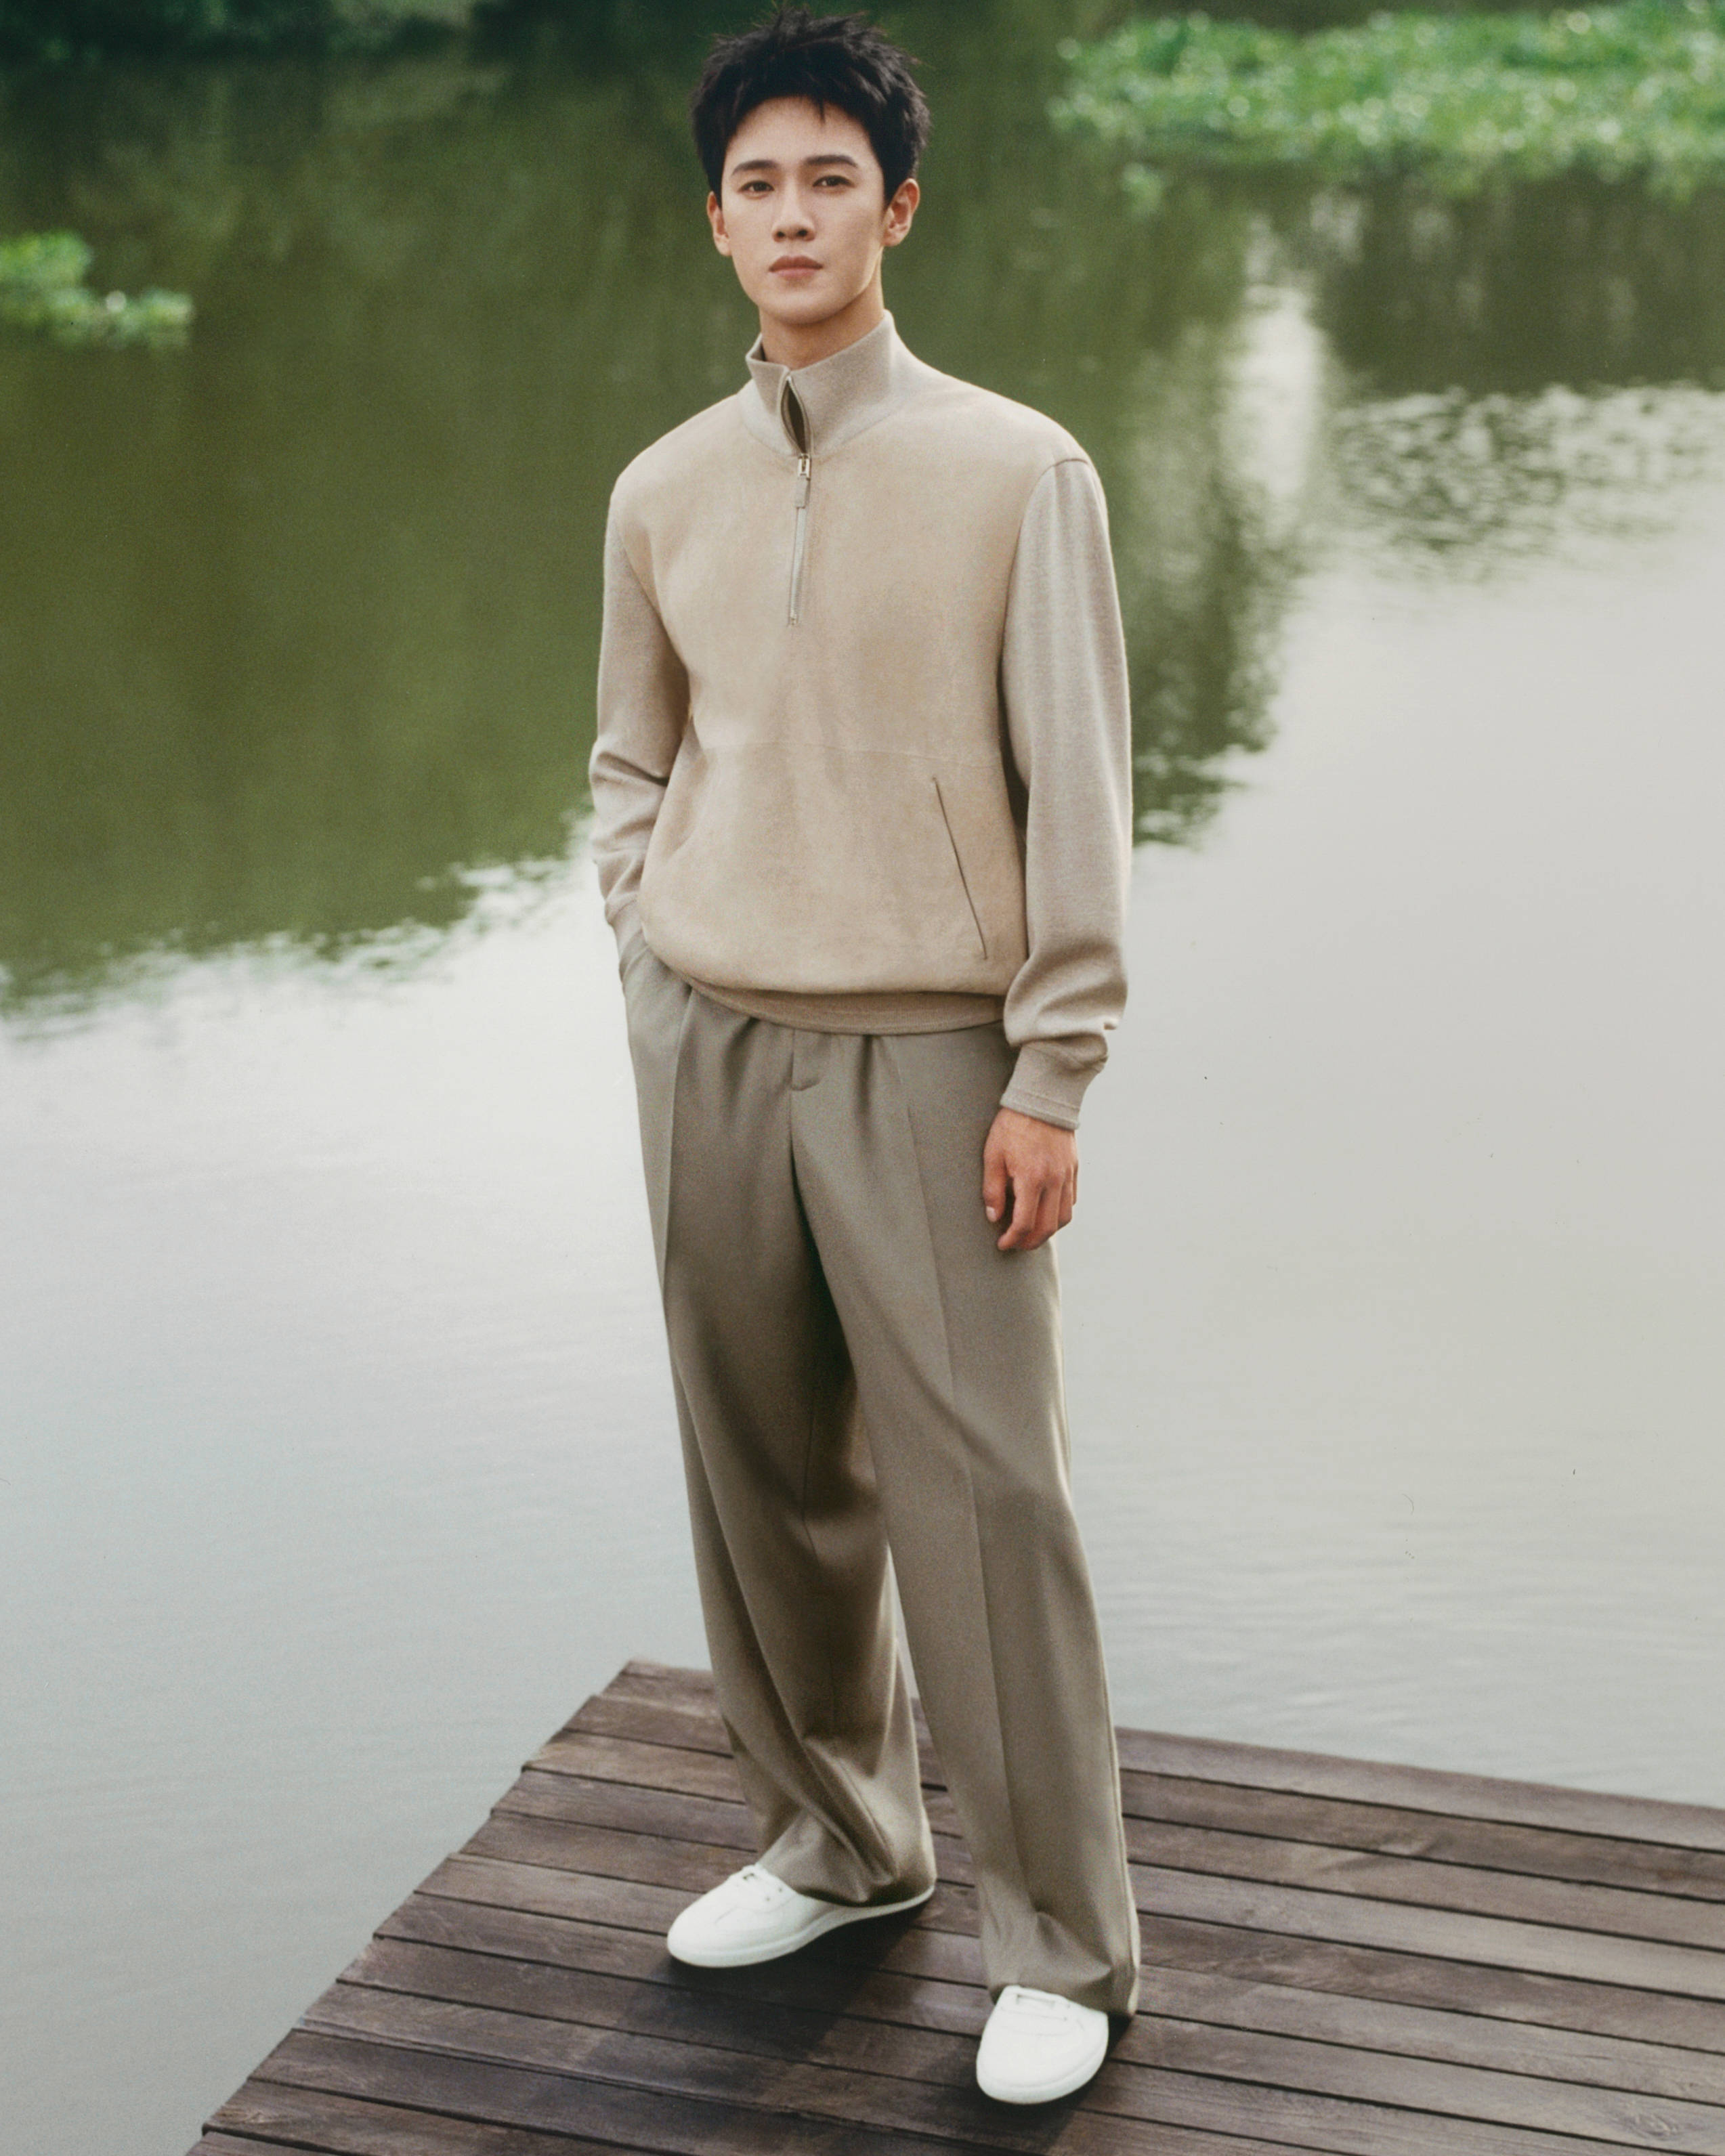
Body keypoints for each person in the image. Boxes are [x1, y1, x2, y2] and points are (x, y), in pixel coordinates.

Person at [590, 5, 1139, 2107]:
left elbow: (1077, 788)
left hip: (932, 1055)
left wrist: (1052, 1067)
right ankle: (839, 1847)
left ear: (896, 209)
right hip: (710, 1039)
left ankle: (1061, 1949)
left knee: (986, 1503)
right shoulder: (661, 488)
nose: (793, 213)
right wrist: (648, 938)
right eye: (759, 183)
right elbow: (632, 754)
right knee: (759, 1475)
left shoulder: (1018, 470)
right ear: (715, 223)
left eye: (832, 177)